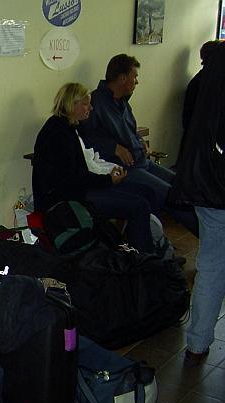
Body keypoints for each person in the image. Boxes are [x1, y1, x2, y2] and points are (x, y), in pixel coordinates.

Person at [78, 53, 199, 237]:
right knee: (173, 197)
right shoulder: (96, 103)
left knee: (182, 184)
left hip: (141, 161)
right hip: (124, 168)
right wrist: (113, 147)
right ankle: (211, 238)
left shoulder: (122, 102)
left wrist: (138, 140)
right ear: (122, 78)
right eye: (134, 77)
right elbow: (84, 139)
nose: (137, 82)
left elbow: (129, 129)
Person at [32, 82, 157, 253]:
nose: (90, 108)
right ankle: (144, 257)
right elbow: (72, 179)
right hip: (65, 201)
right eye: (85, 104)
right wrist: (108, 180)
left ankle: (148, 246)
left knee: (146, 192)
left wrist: (107, 178)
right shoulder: (59, 134)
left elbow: (78, 172)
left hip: (75, 191)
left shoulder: (67, 127)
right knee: (138, 206)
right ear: (71, 104)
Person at [169, 43, 225, 367]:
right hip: (217, 187)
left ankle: (197, 343)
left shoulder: (205, 82)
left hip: (204, 187)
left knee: (211, 267)